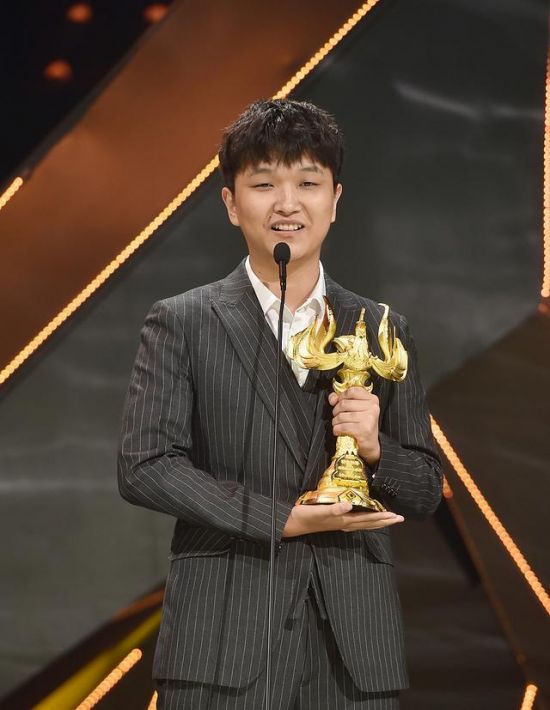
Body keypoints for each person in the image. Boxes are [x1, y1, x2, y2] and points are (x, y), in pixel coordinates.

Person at [118, 99, 442, 709]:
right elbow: (145, 467)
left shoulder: (381, 327)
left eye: (308, 184)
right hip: (223, 640)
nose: (287, 204)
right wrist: (282, 519)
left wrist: (374, 449)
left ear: (335, 200)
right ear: (230, 203)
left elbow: (424, 489)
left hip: (354, 649)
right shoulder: (184, 321)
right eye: (264, 184)